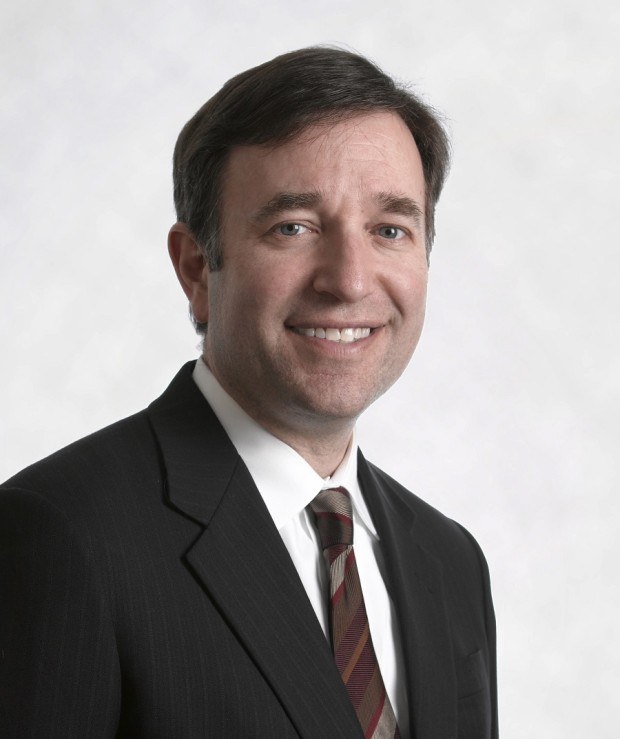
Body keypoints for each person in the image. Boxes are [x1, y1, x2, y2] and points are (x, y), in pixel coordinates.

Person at [0, 47, 498, 738]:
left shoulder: (450, 561)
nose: (350, 280)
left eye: (390, 230)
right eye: (293, 227)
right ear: (196, 267)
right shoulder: (60, 536)